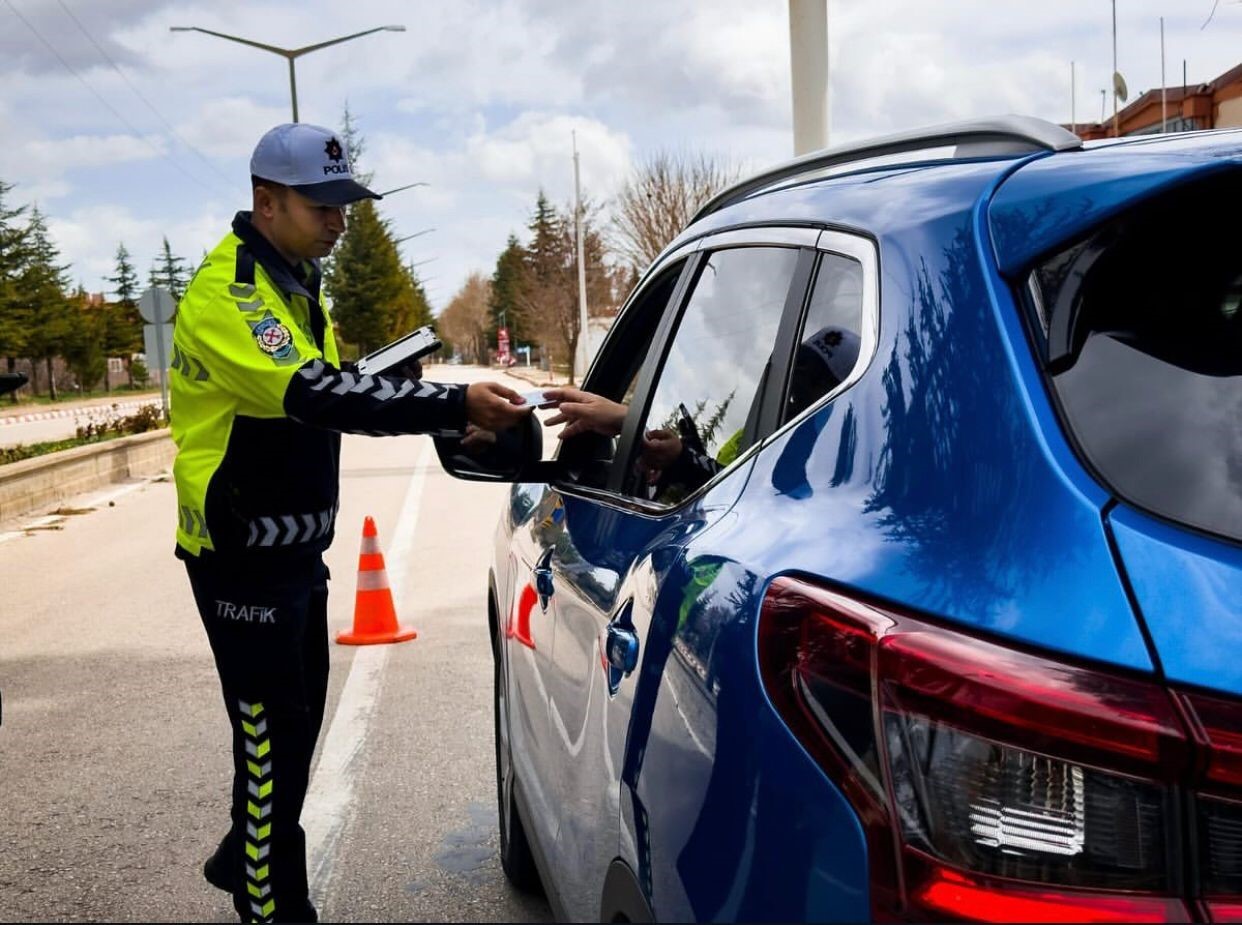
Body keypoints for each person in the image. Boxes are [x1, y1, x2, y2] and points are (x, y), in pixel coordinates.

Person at [170, 122, 531, 923]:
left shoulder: (297, 284)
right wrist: (450, 399)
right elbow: (314, 396)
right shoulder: (231, 293)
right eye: (322, 203)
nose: (340, 220)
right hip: (240, 555)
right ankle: (271, 903)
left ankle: (243, 853)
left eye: (347, 204)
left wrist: (440, 418)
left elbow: (329, 391)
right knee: (267, 747)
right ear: (266, 201)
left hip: (296, 550)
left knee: (292, 737)